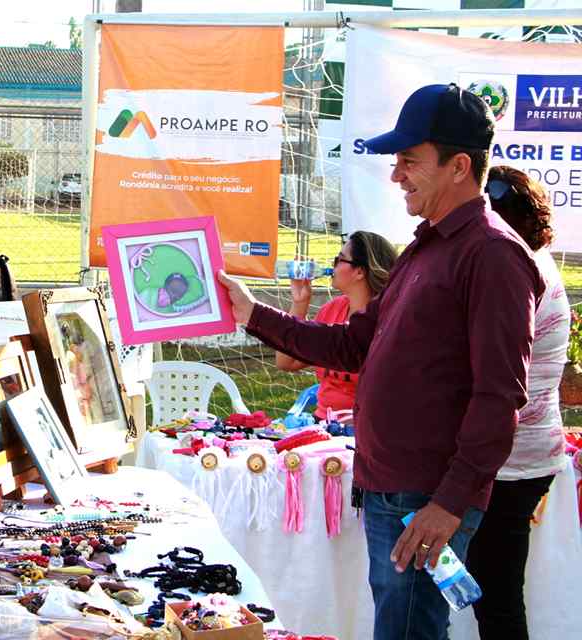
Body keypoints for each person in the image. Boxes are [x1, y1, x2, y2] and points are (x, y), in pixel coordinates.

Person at [218, 84, 542, 640]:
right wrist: (253, 314)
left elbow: (500, 395)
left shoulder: (492, 255)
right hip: (392, 486)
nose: (397, 176)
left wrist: (450, 503)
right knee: (399, 623)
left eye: (410, 162)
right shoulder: (426, 246)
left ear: (459, 166)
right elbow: (352, 346)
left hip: (425, 497)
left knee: (409, 629)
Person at [464, 165, 570, 640]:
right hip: (519, 453)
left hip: (511, 460)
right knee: (495, 594)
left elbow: (504, 383)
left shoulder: (516, 269)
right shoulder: (527, 262)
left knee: (498, 599)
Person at [275, 231, 397, 421]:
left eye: (339, 260)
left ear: (359, 272)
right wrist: (300, 303)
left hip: (367, 428)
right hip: (324, 423)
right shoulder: (332, 310)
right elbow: (286, 362)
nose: (332, 266)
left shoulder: (388, 320)